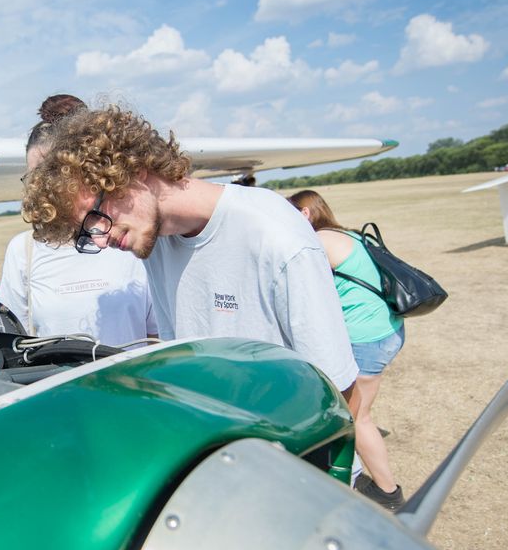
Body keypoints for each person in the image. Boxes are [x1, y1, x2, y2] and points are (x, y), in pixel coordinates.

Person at [21, 104, 358, 397]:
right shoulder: (155, 243)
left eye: (96, 216)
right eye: (86, 233)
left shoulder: (275, 235)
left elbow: (336, 387)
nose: (98, 239)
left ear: (130, 171)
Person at [0, 96, 157, 347]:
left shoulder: (127, 238)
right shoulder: (23, 251)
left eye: (49, 176)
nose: (40, 190)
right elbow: (14, 341)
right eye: (32, 178)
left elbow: (159, 336)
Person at [288, 190, 405, 509]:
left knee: (356, 418)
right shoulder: (346, 234)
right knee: (359, 413)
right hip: (387, 330)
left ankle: (386, 491)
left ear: (305, 214)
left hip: (366, 337)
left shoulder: (319, 242)